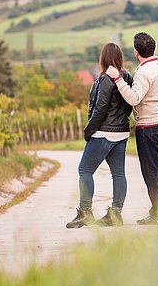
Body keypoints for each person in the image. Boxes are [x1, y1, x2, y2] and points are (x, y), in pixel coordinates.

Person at [105, 32, 158, 225]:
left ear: (136, 52)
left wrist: (117, 78)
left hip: (150, 126)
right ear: (153, 48)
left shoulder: (144, 72)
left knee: (151, 172)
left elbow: (134, 98)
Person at [66, 43, 134, 228]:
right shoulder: (126, 76)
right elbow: (128, 104)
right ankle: (116, 213)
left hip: (103, 133)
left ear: (103, 57)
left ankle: (85, 213)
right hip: (121, 132)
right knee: (118, 174)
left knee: (85, 171)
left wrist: (89, 130)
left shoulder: (105, 79)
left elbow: (100, 108)